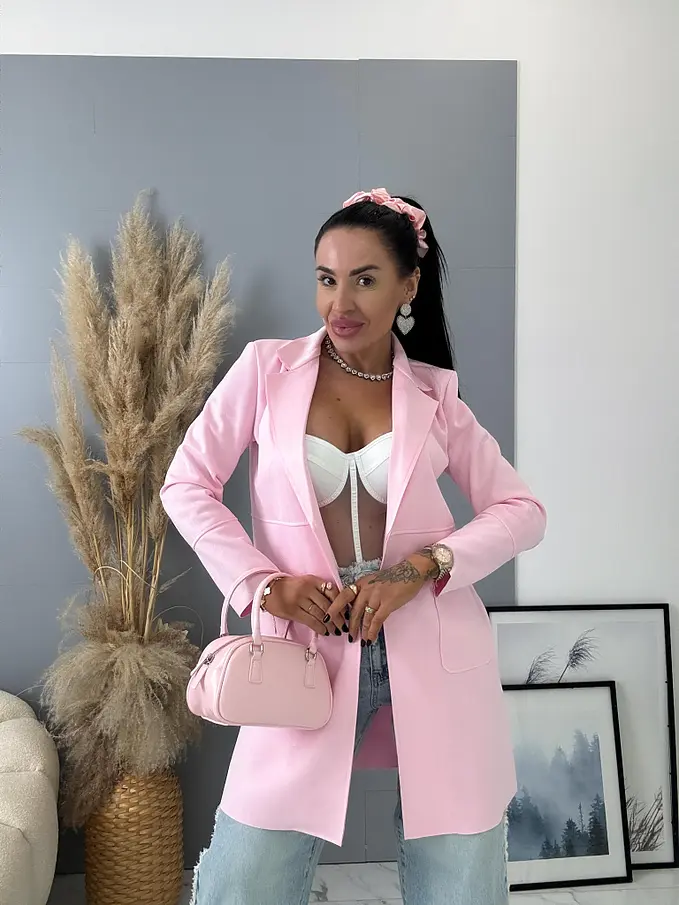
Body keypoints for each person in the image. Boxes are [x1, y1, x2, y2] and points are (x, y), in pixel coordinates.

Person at [160, 187, 547, 905]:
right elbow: (185, 484)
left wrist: (423, 567)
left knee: (459, 877)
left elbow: (522, 511)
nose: (340, 302)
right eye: (326, 278)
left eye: (364, 279)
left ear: (408, 285)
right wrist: (263, 584)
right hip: (306, 646)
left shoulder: (435, 395)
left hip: (431, 641)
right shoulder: (265, 371)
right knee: (245, 878)